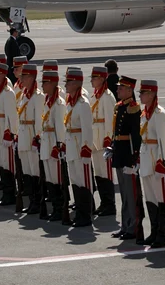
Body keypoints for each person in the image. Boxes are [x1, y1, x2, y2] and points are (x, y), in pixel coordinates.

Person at [138, 79, 165, 247]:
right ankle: (154, 230)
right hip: (145, 159)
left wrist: (162, 163)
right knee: (150, 198)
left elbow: (164, 141)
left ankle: (162, 234)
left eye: (143, 93)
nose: (141, 96)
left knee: (160, 198)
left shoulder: (159, 114)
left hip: (155, 160)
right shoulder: (145, 114)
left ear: (151, 94)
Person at [110, 75, 141, 237]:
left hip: (128, 154)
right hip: (120, 152)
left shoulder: (133, 108)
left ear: (130, 90)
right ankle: (125, 225)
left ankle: (133, 226)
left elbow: (135, 136)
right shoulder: (119, 107)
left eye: (121, 88)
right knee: (123, 192)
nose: (118, 90)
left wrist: (135, 157)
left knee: (131, 192)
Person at [64, 68, 94, 227]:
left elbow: (88, 129)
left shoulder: (83, 104)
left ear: (76, 83)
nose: (66, 85)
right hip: (71, 145)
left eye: (68, 82)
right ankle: (79, 214)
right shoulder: (71, 102)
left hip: (79, 145)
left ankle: (86, 216)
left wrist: (86, 149)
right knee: (75, 180)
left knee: (84, 181)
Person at [16, 64, 45, 213]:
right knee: (26, 170)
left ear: (32, 78)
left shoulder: (37, 97)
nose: (21, 79)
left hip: (31, 137)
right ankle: (32, 199)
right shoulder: (23, 94)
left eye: (24, 77)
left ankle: (38, 201)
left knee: (35, 170)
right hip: (22, 135)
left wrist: (37, 137)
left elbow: (39, 120)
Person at [90, 65, 117, 216]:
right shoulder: (95, 96)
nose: (92, 81)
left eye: (94, 78)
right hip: (95, 140)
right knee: (99, 173)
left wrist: (108, 138)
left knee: (106, 174)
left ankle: (109, 204)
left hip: (103, 140)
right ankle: (103, 203)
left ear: (101, 79)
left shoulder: (107, 97)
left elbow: (110, 120)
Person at [0, 62, 18, 206]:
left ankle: (10, 194)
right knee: (1, 162)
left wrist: (10, 132)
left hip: (3, 132)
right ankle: (6, 192)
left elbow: (12, 116)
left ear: (2, 75)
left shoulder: (8, 93)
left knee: (8, 164)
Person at [40, 69, 66, 220]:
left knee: (57, 178)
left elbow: (60, 128)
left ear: (52, 83)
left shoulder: (59, 103)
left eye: (44, 83)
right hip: (45, 141)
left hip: (53, 144)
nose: (42, 85)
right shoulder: (47, 100)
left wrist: (60, 145)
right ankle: (55, 208)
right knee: (49, 178)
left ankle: (59, 209)